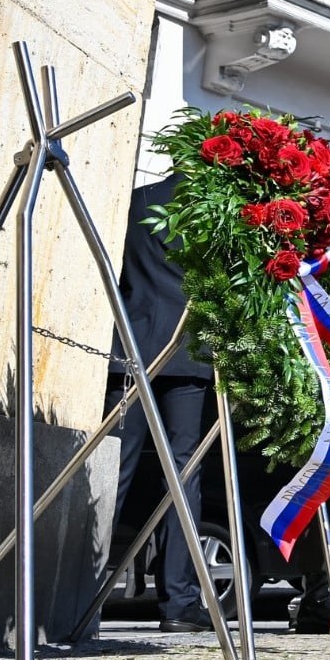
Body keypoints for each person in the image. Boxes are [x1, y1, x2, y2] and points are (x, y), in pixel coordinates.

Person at [104, 174, 214, 634]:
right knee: (183, 476)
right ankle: (179, 602)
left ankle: (77, 586)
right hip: (188, 354)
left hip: (132, 344)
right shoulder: (218, 213)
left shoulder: (136, 201)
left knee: (113, 470)